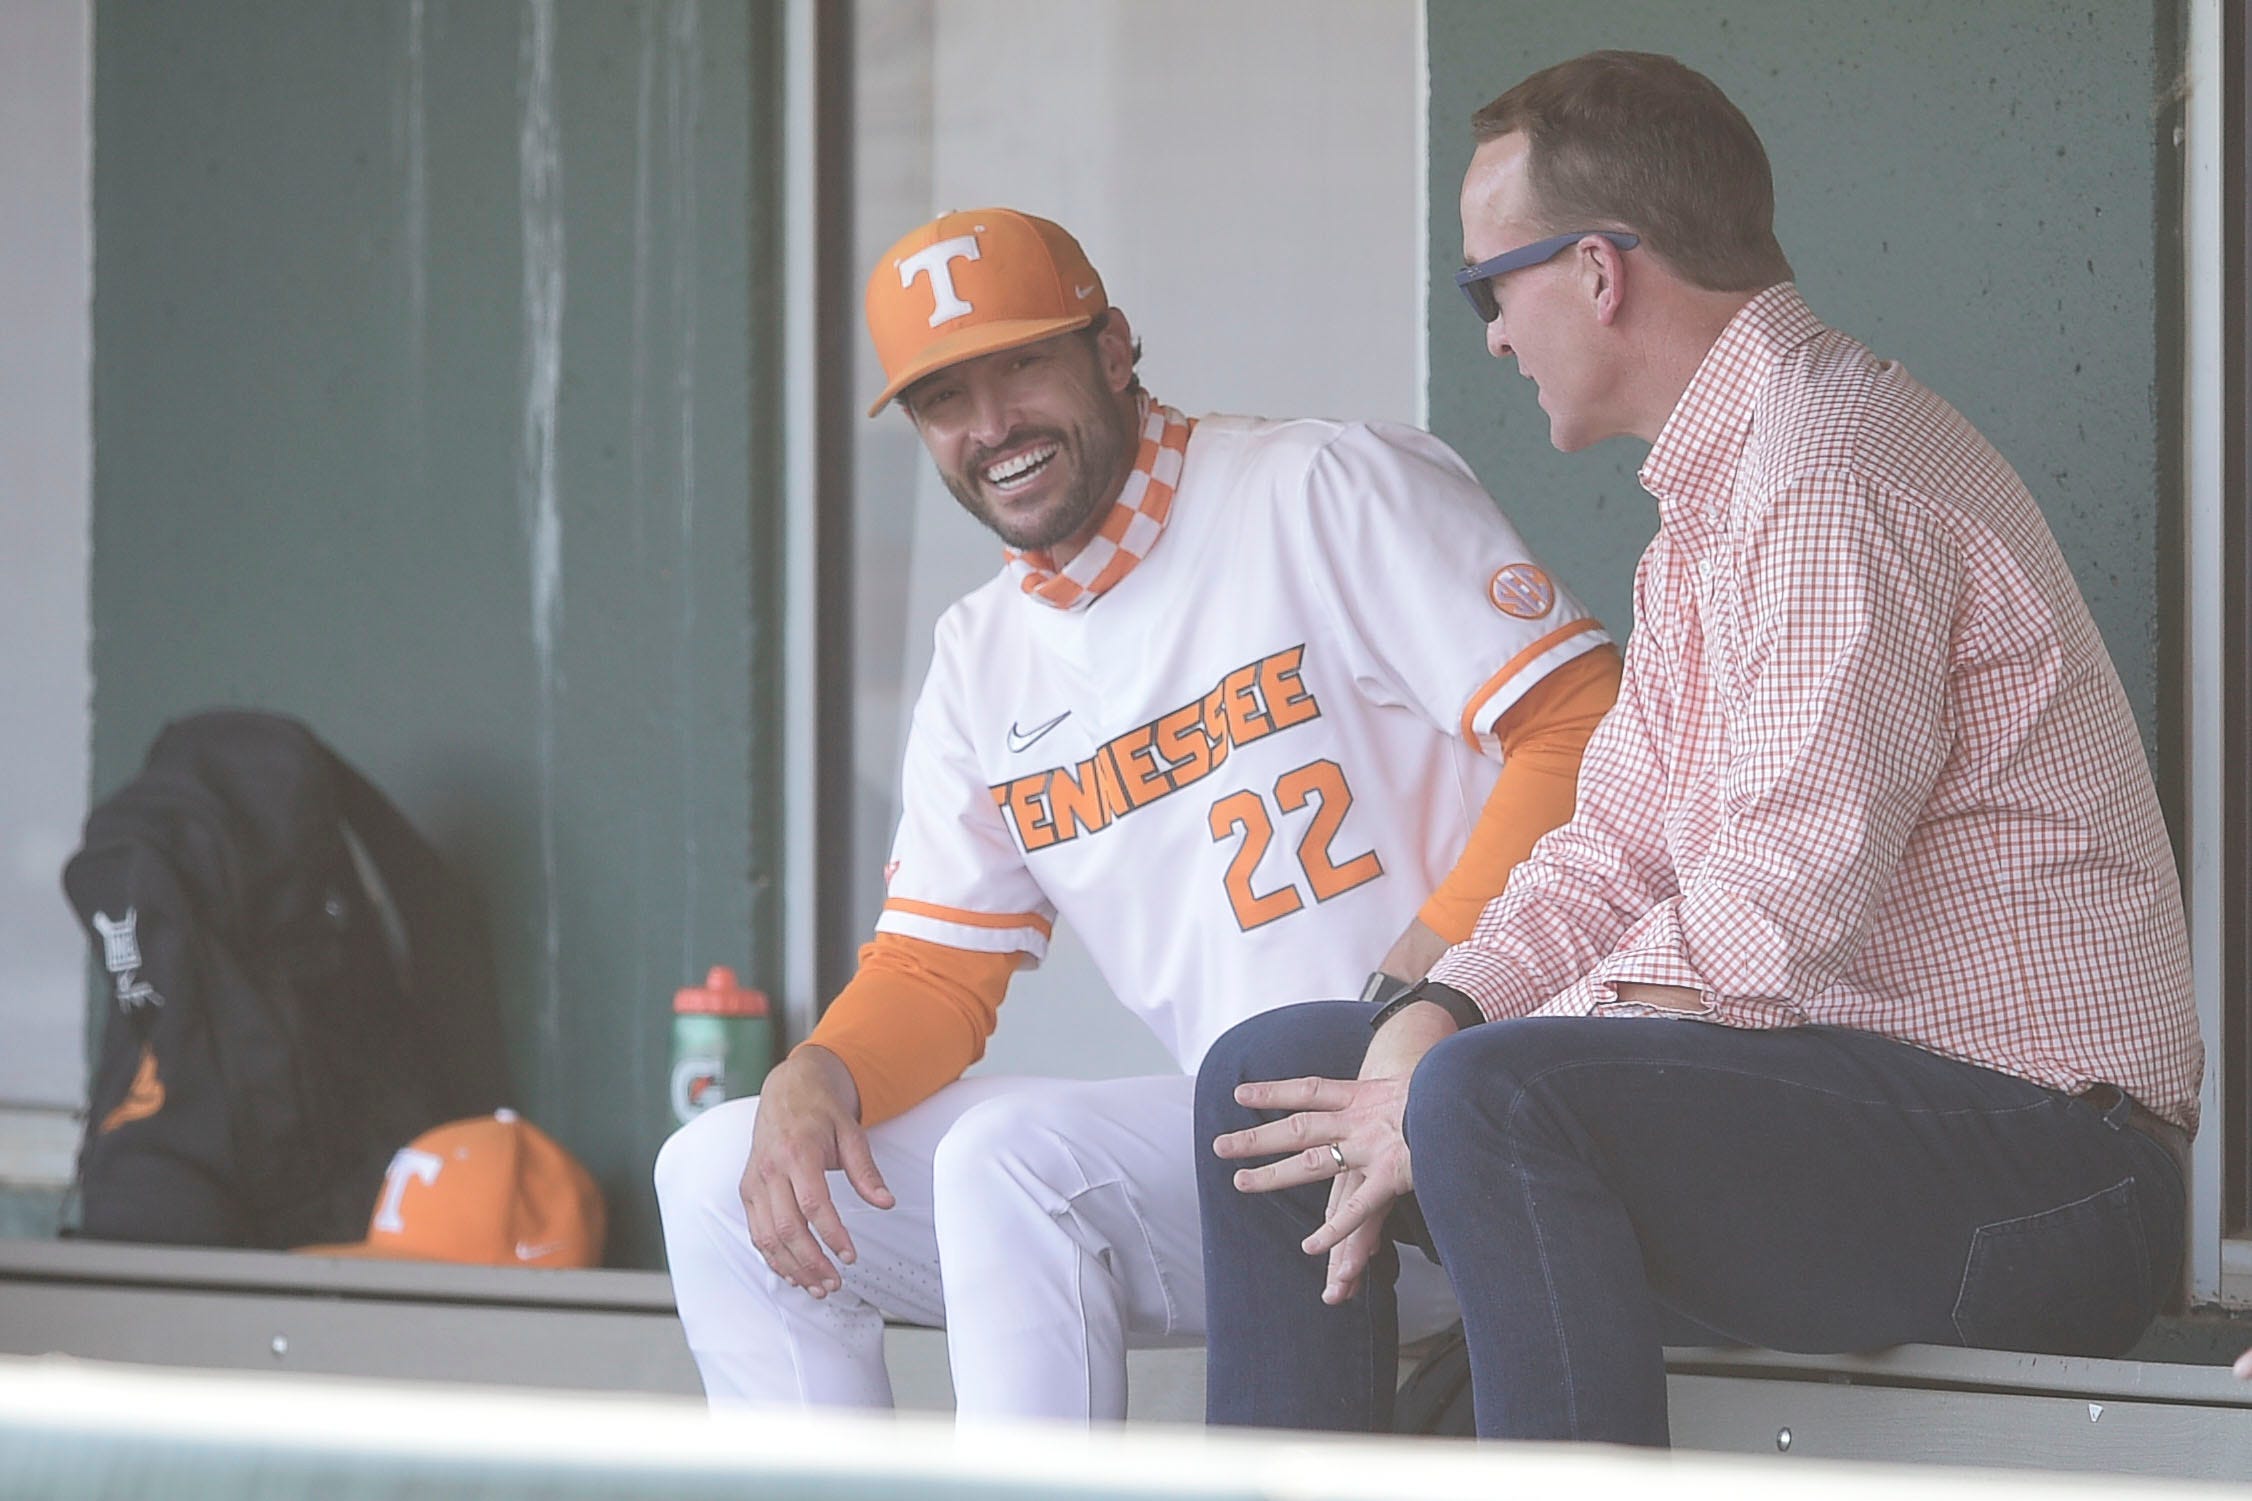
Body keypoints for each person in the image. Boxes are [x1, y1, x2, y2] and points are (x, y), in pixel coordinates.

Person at [1197, 50, 2203, 1446]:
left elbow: (1778, 912)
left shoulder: (1829, 477)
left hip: (2051, 1181)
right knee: (1272, 1081)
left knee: (1496, 1096)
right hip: (1863, 1125)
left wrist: (1459, 1071)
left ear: (1599, 272)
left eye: (1490, 285)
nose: (1489, 332)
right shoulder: (1710, 520)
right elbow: (1612, 850)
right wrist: (1441, 1009)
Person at [653, 207, 1621, 1422]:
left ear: (1112, 346)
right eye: (945, 396)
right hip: (1250, 1171)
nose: (991, 423)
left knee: (1014, 1162)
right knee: (714, 1172)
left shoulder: (1316, 486)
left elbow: (1586, 722)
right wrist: (819, 1069)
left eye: (1021, 363)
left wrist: (1440, 963)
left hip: (1445, 1130)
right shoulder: (980, 653)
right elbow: (939, 969)